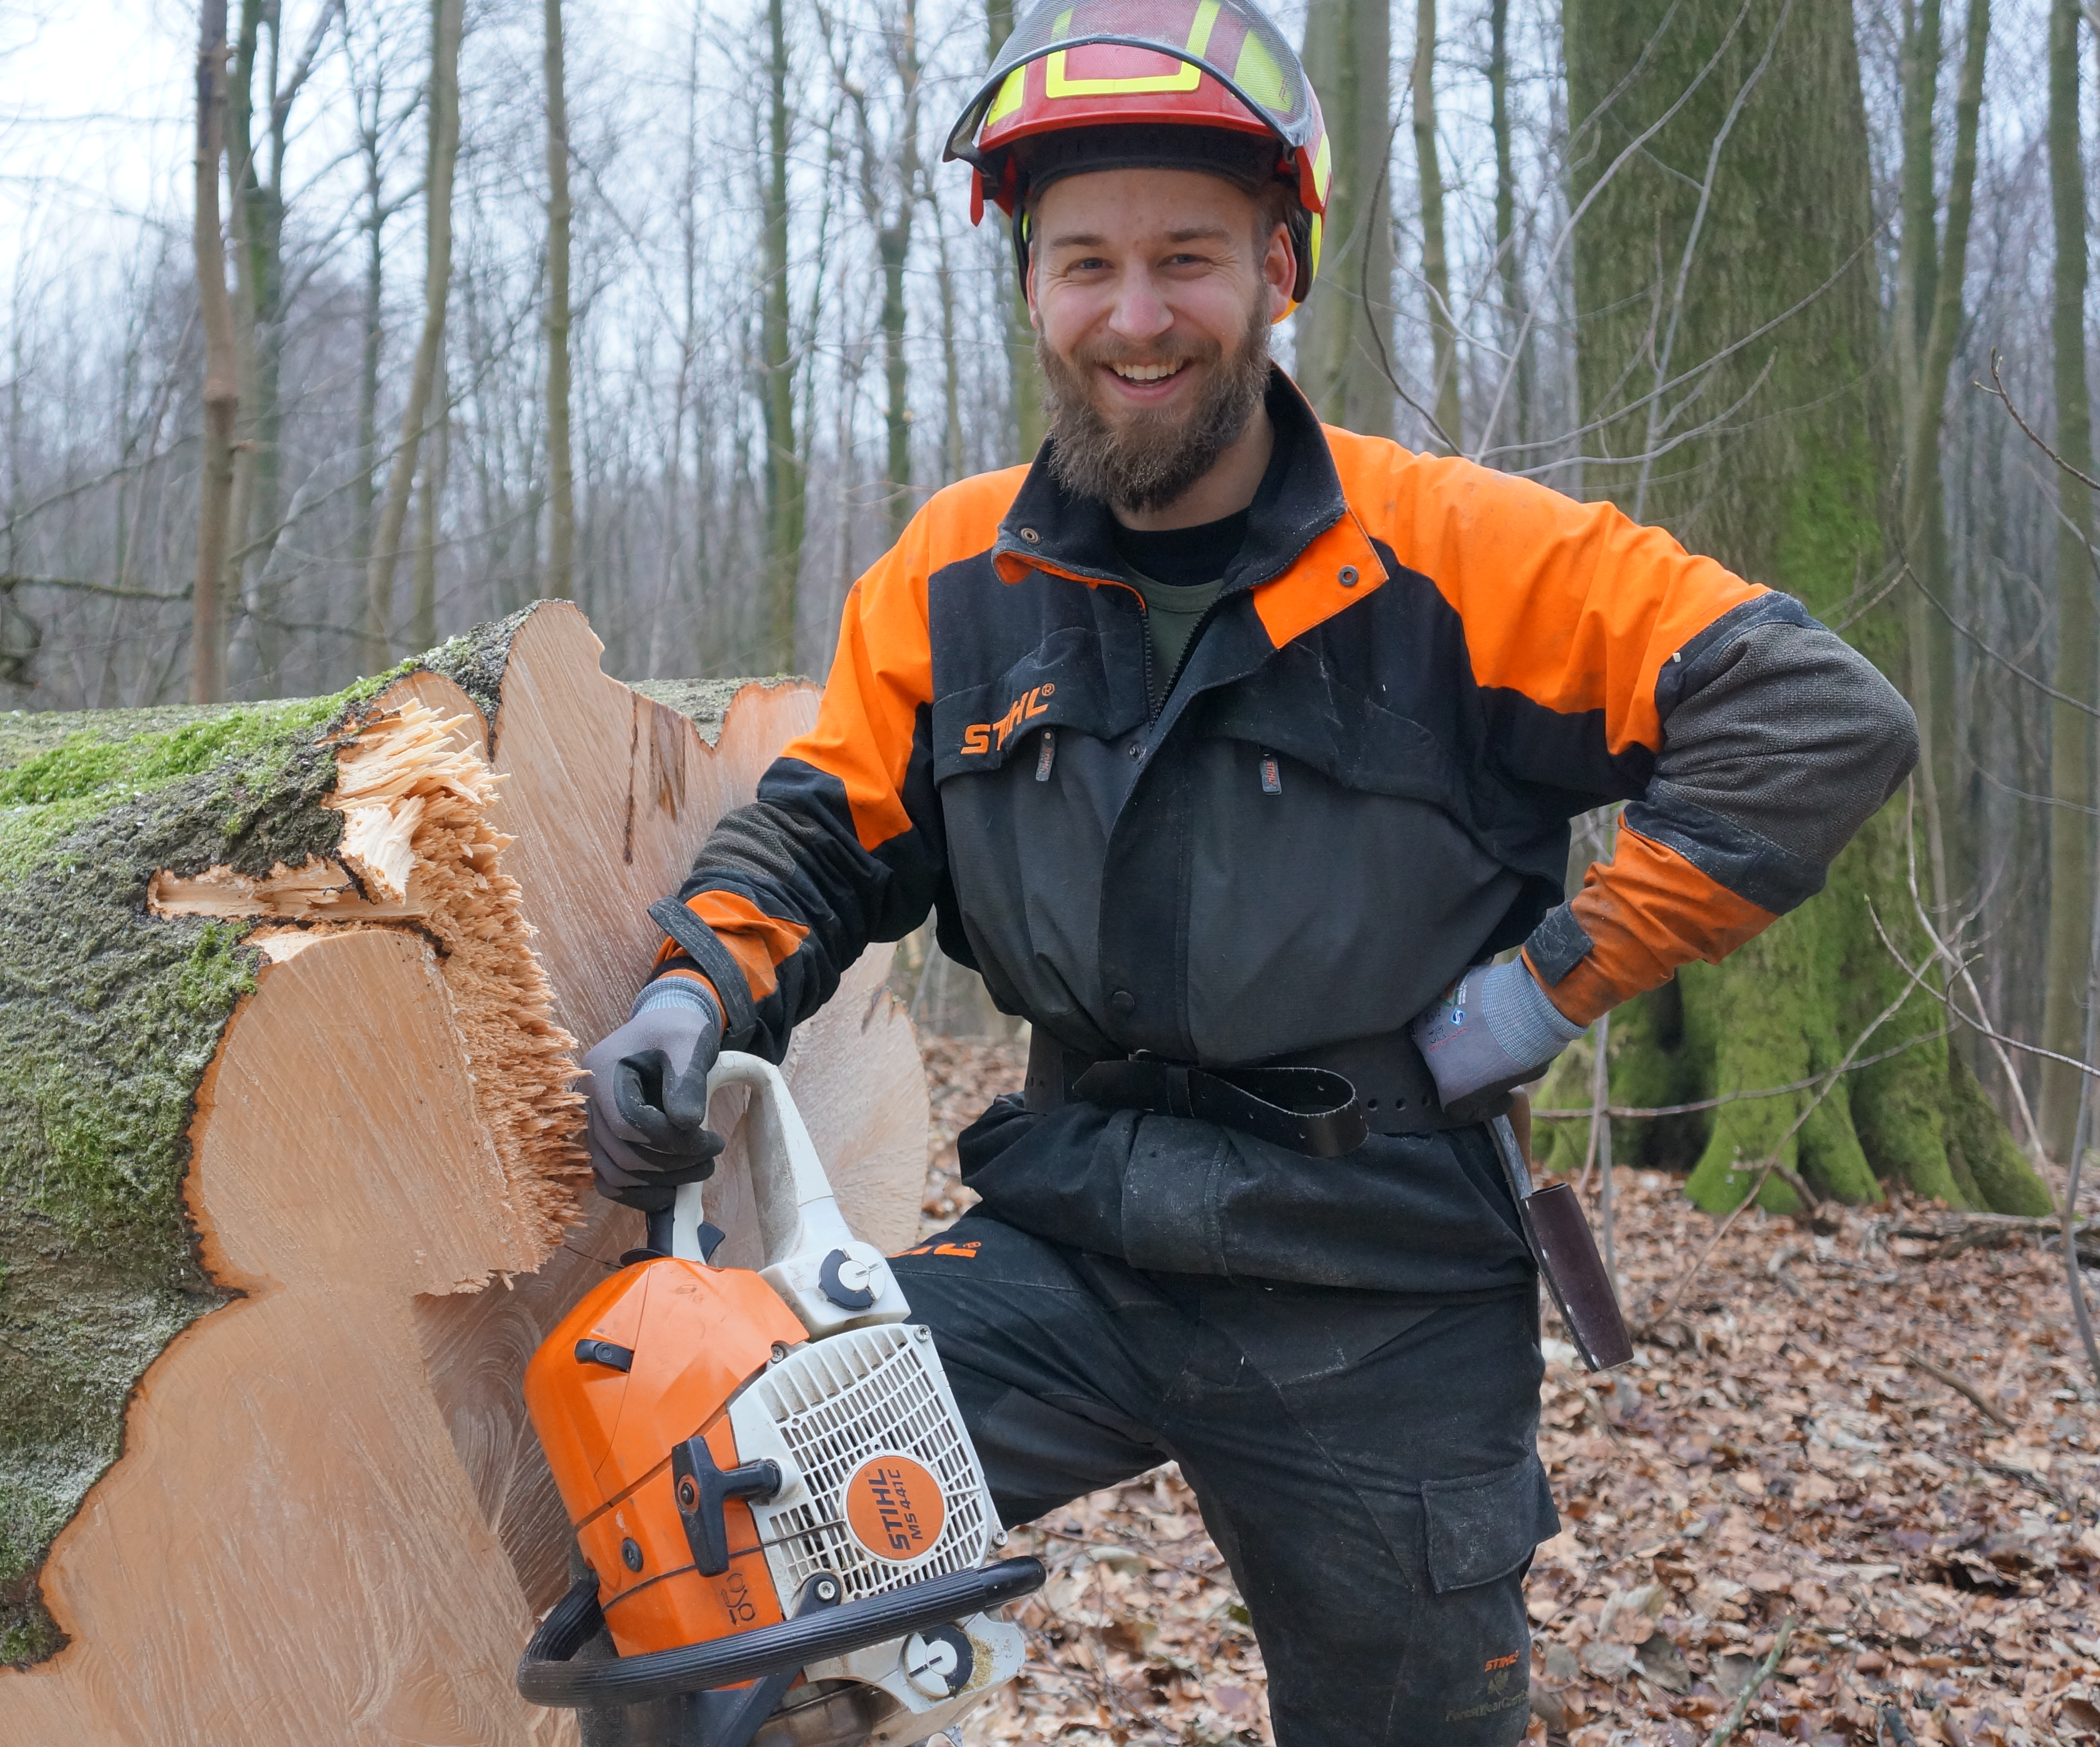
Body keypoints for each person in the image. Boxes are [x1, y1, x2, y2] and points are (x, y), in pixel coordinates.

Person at [580, 3, 1916, 1740]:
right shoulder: (954, 575)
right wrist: (695, 988)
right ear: (1029, 277)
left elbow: (1814, 715)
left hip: (1377, 1271)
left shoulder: (1453, 552)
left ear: (1280, 262)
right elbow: (830, 830)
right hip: (1072, 1238)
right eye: (1088, 265)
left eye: (1189, 258)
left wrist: (1553, 984)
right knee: (699, 1579)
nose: (1136, 318)